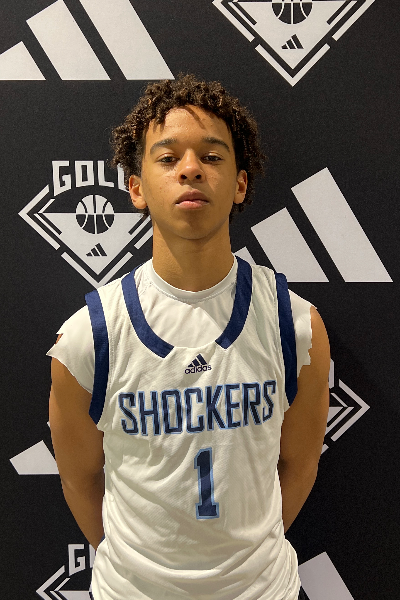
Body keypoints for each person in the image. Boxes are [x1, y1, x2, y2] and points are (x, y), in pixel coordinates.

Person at [48, 74, 330, 600]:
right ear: (136, 187)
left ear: (240, 184)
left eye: (212, 156)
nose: (191, 169)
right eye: (168, 157)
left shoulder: (294, 324)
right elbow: (80, 479)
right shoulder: (89, 335)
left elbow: (300, 464)